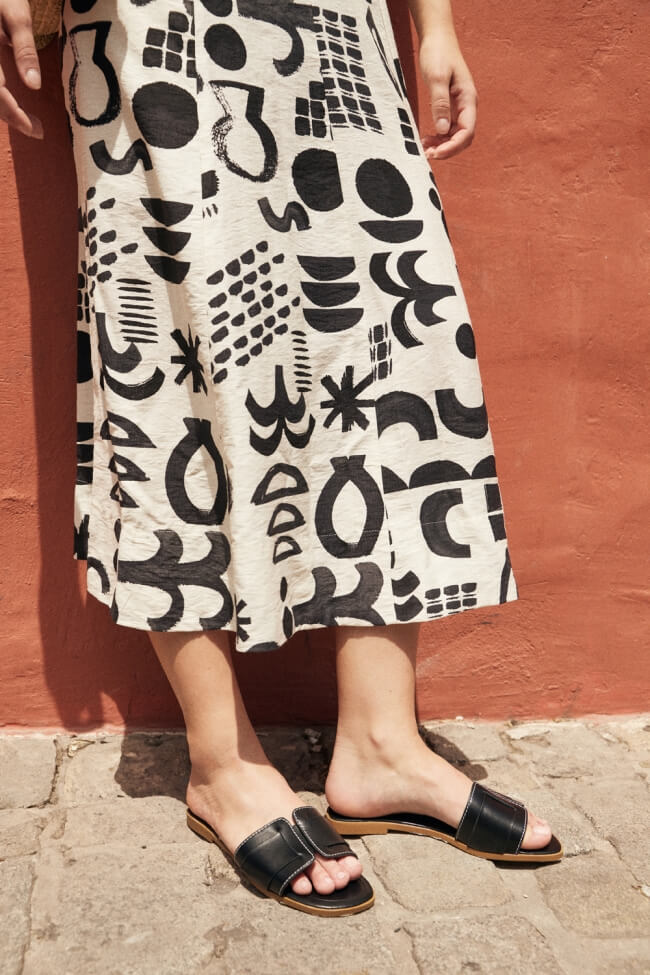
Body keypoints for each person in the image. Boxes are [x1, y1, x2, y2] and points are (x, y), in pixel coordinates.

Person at [1, 0, 562, 917]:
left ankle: (382, 744)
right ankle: (221, 763)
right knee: (173, 349)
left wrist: (436, 26)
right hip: (153, 25)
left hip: (338, 24)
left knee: (387, 329)